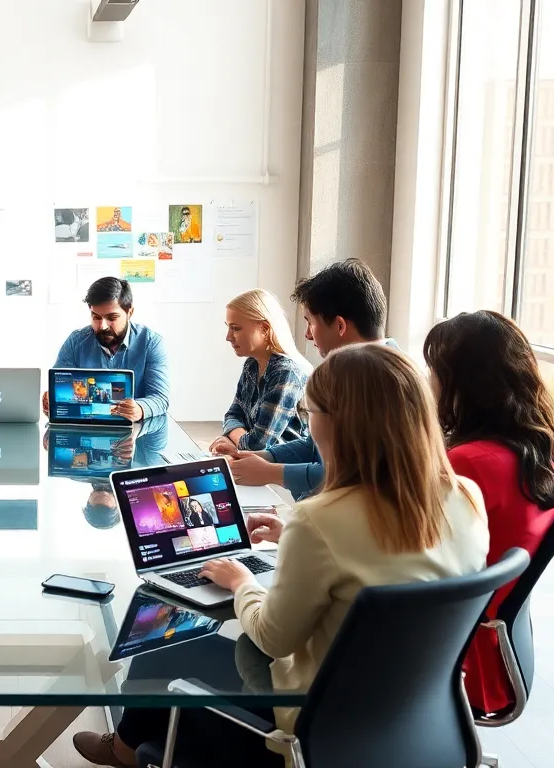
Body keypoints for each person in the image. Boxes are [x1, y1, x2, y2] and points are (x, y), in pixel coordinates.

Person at [74, 343, 490, 768]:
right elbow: (391, 560)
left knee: (164, 647)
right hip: (412, 716)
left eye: (311, 416)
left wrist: (241, 581)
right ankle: (139, 746)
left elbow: (273, 637)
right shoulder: (467, 498)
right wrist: (293, 534)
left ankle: (125, 750)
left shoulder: (320, 520)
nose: (311, 431)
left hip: (310, 729)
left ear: (339, 426)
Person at [424, 310, 554, 715]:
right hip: (493, 647)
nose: (429, 383)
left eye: (434, 373)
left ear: (463, 385)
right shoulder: (546, 451)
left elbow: (413, 557)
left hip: (455, 658)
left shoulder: (469, 464)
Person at [220, 258, 393, 499]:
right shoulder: (347, 372)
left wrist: (271, 471)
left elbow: (347, 475)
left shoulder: (384, 381)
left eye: (311, 323)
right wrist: (262, 458)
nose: (307, 334)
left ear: (340, 326)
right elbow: (313, 446)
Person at [46, 277, 170, 422]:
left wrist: (140, 409)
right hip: (86, 428)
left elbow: (160, 398)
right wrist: (51, 399)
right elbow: (59, 387)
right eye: (96, 317)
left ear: (130, 313)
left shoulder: (151, 343)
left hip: (136, 433)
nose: (103, 326)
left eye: (112, 317)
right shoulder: (76, 341)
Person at [210, 289, 311, 454]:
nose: (228, 337)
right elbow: (232, 415)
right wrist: (241, 440)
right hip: (257, 465)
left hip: (280, 472)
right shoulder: (252, 364)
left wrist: (233, 441)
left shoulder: (286, 373)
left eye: (235, 328)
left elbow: (258, 444)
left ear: (264, 328)